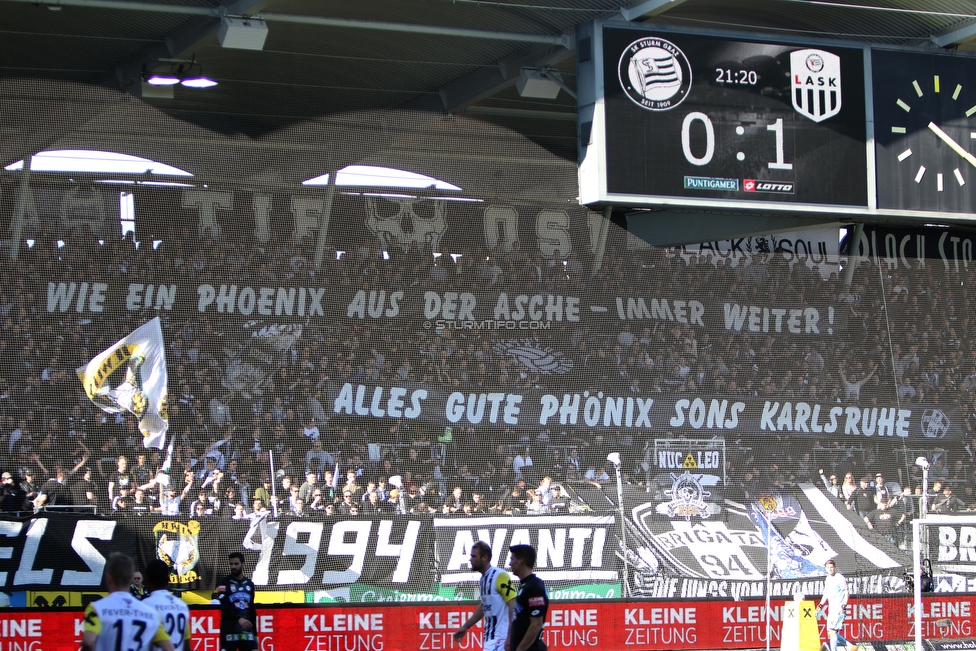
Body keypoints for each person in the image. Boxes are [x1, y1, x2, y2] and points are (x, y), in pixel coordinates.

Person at [81, 552, 175, 651]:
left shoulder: (96, 609)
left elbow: (88, 641)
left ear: (108, 578)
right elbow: (169, 648)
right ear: (131, 579)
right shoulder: (151, 613)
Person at [452, 542, 516, 651]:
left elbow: (513, 604)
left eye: (474, 556)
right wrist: (465, 627)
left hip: (501, 639)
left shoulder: (500, 575)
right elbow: (484, 607)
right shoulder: (483, 579)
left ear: (485, 558)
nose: (470, 560)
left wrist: (510, 635)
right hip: (490, 638)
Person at [211, 552, 258, 651]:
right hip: (229, 629)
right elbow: (224, 605)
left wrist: (255, 633)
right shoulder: (224, 582)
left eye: (236, 564)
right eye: (231, 564)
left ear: (243, 564)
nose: (233, 567)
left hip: (246, 631)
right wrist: (238, 619)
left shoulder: (249, 584)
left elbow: (251, 609)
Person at [143, 559, 191, 651]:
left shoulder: (145, 606)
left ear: (146, 579)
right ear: (168, 579)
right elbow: (187, 645)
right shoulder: (182, 606)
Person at [509, 544, 549, 651]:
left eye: (512, 559)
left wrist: (520, 649)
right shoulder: (525, 585)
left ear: (520, 561)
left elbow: (536, 623)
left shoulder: (534, 587)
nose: (510, 563)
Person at [818, 560, 857, 651]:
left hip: (839, 609)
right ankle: (850, 646)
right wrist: (820, 605)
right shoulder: (828, 578)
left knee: (833, 632)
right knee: (831, 633)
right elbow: (826, 593)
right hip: (831, 610)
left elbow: (847, 592)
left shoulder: (840, 578)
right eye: (828, 568)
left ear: (834, 567)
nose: (830, 569)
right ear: (825, 568)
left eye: (831, 567)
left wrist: (843, 606)